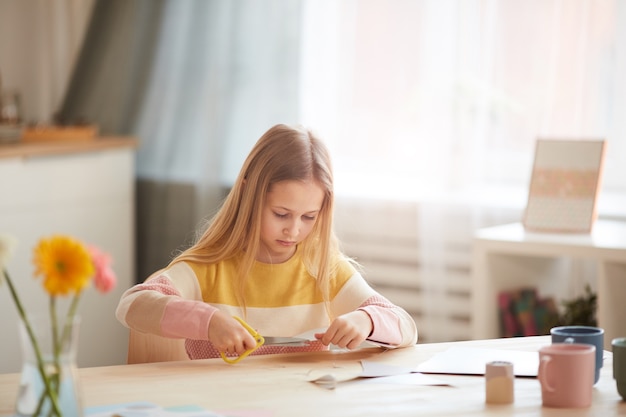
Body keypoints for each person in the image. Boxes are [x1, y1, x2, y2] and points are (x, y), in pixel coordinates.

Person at [116, 124, 418, 361]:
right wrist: (208, 321)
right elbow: (132, 305)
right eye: (281, 214)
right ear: (249, 194)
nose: (294, 230)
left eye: (309, 217)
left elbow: (405, 326)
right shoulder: (209, 266)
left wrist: (366, 320)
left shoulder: (323, 268)